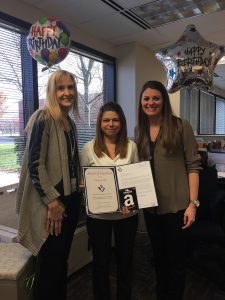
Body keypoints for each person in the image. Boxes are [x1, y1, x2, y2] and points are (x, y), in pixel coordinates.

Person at [16, 70, 81, 300]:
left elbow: (71, 162)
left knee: (60, 261)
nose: (66, 92)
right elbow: (35, 165)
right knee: (48, 267)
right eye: (60, 88)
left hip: (71, 201)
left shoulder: (69, 123)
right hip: (52, 204)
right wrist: (52, 201)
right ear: (52, 92)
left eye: (70, 87)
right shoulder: (43, 118)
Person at [136, 81, 201, 300]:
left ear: (163, 100)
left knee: (176, 262)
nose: (151, 102)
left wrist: (193, 204)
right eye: (146, 98)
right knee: (159, 259)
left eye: (156, 98)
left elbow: (193, 166)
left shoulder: (181, 126)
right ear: (141, 102)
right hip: (151, 209)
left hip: (177, 208)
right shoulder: (140, 130)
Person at [80, 102, 139, 300]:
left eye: (115, 120)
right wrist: (85, 185)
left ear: (121, 122)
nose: (111, 124)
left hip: (126, 215)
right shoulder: (89, 148)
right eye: (106, 120)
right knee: (100, 262)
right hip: (98, 216)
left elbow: (135, 179)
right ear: (100, 123)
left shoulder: (131, 147)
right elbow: (83, 180)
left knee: (125, 261)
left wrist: (129, 202)